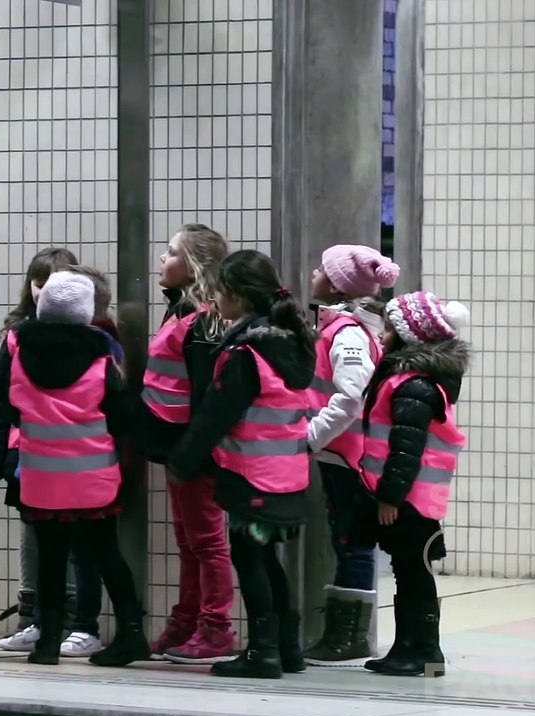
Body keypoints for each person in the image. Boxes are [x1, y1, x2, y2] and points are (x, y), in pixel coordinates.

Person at [167, 250, 315, 680]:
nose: (214, 301)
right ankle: (287, 647)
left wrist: (183, 458)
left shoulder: (247, 353)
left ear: (238, 296)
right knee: (268, 559)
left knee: (250, 560)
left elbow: (217, 415)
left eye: (219, 294)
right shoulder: (291, 342)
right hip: (285, 474)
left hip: (251, 477)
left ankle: (264, 652)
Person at [0, 270, 150, 667]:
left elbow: (7, 403)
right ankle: (132, 633)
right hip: (93, 476)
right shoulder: (102, 353)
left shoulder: (16, 344)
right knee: (105, 554)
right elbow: (120, 416)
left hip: (41, 476)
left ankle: (47, 642)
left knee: (51, 558)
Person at [355, 291, 469, 678]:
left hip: (412, 499)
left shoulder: (414, 386)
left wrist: (390, 496)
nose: (382, 335)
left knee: (413, 572)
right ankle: (415, 650)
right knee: (410, 572)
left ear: (408, 336)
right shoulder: (409, 379)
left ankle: (420, 651)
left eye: (389, 328)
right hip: (413, 496)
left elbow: (406, 449)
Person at [138, 224, 238, 664]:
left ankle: (215, 628)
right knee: (190, 540)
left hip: (194, 449)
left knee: (206, 540)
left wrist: (192, 450)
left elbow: (205, 393)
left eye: (172, 252)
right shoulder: (182, 312)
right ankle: (187, 620)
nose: (163, 258)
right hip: (177, 445)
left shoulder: (204, 320)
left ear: (195, 264)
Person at [302, 245, 399, 664]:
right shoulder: (341, 328)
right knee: (347, 541)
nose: (313, 273)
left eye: (322, 269)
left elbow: (349, 398)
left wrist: (309, 437)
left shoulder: (347, 333)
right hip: (339, 455)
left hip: (348, 457)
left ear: (337, 284)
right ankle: (342, 634)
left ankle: (349, 637)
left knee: (354, 542)